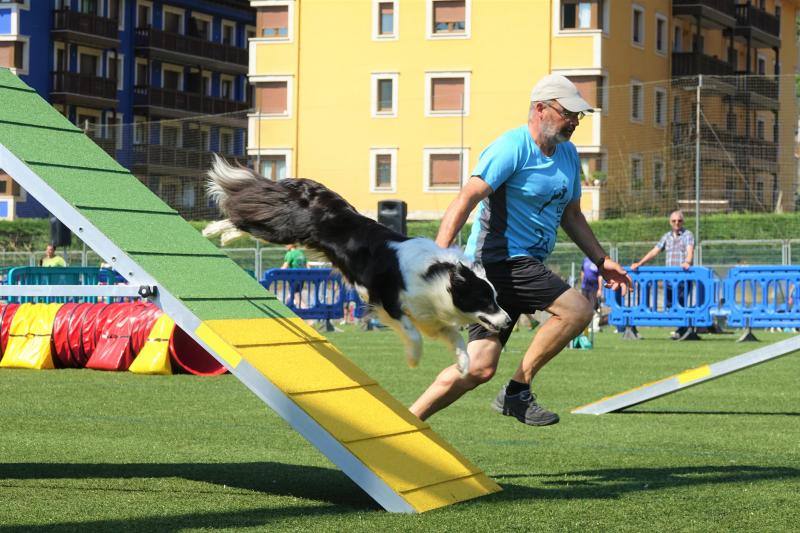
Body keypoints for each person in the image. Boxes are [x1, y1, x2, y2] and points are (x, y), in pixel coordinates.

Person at [408, 74, 631, 427]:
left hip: (518, 268)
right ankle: (517, 391)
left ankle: (404, 422)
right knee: (576, 309)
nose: (575, 121)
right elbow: (466, 198)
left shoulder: (569, 155)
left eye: (579, 115)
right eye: (568, 113)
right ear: (540, 109)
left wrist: (602, 261)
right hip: (498, 262)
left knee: (478, 367)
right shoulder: (511, 147)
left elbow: (572, 215)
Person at [630, 210, 694, 339]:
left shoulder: (688, 235)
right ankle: (680, 329)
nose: (677, 223)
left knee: (681, 304)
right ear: (670, 222)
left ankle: (683, 330)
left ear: (683, 222)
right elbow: (655, 251)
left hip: (682, 278)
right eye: (674, 221)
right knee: (670, 304)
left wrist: (687, 261)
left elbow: (689, 250)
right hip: (669, 280)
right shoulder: (666, 236)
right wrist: (640, 263)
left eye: (679, 221)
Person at [281, 243, 307, 308]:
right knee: (292, 295)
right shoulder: (301, 253)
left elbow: (285, 266)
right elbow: (307, 265)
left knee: (296, 295)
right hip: (302, 277)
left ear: (291, 244)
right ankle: (288, 309)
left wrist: (276, 273)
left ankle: (305, 310)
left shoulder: (290, 253)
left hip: (294, 277)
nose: (285, 245)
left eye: (286, 243)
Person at [581, 256, 603, 332]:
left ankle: (595, 326)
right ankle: (585, 326)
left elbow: (600, 276)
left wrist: (600, 289)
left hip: (594, 288)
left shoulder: (597, 261)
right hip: (585, 287)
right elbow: (582, 271)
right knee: (584, 306)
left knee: (595, 306)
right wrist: (582, 283)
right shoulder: (585, 259)